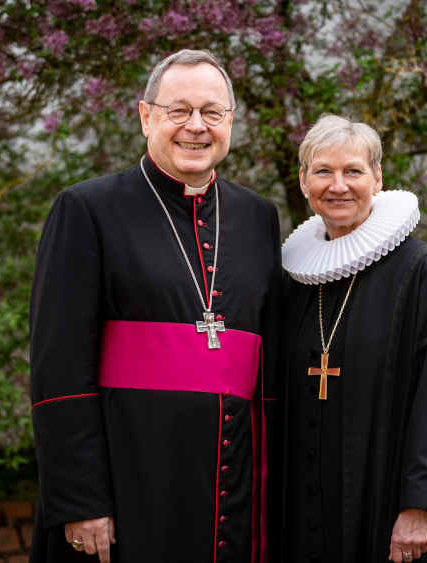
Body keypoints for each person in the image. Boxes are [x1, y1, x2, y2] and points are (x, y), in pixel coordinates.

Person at [29, 49, 281, 563]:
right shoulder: (87, 209)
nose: (196, 126)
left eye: (212, 112)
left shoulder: (258, 217)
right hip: (131, 479)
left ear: (230, 122)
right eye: (179, 110)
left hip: (232, 480)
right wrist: (81, 499)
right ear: (146, 116)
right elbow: (58, 369)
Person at [278, 115, 427, 563]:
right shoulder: (293, 281)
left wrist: (417, 506)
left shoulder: (424, 273)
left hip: (387, 496)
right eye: (323, 171)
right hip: (307, 501)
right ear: (304, 180)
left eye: (354, 171)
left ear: (378, 178)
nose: (338, 185)